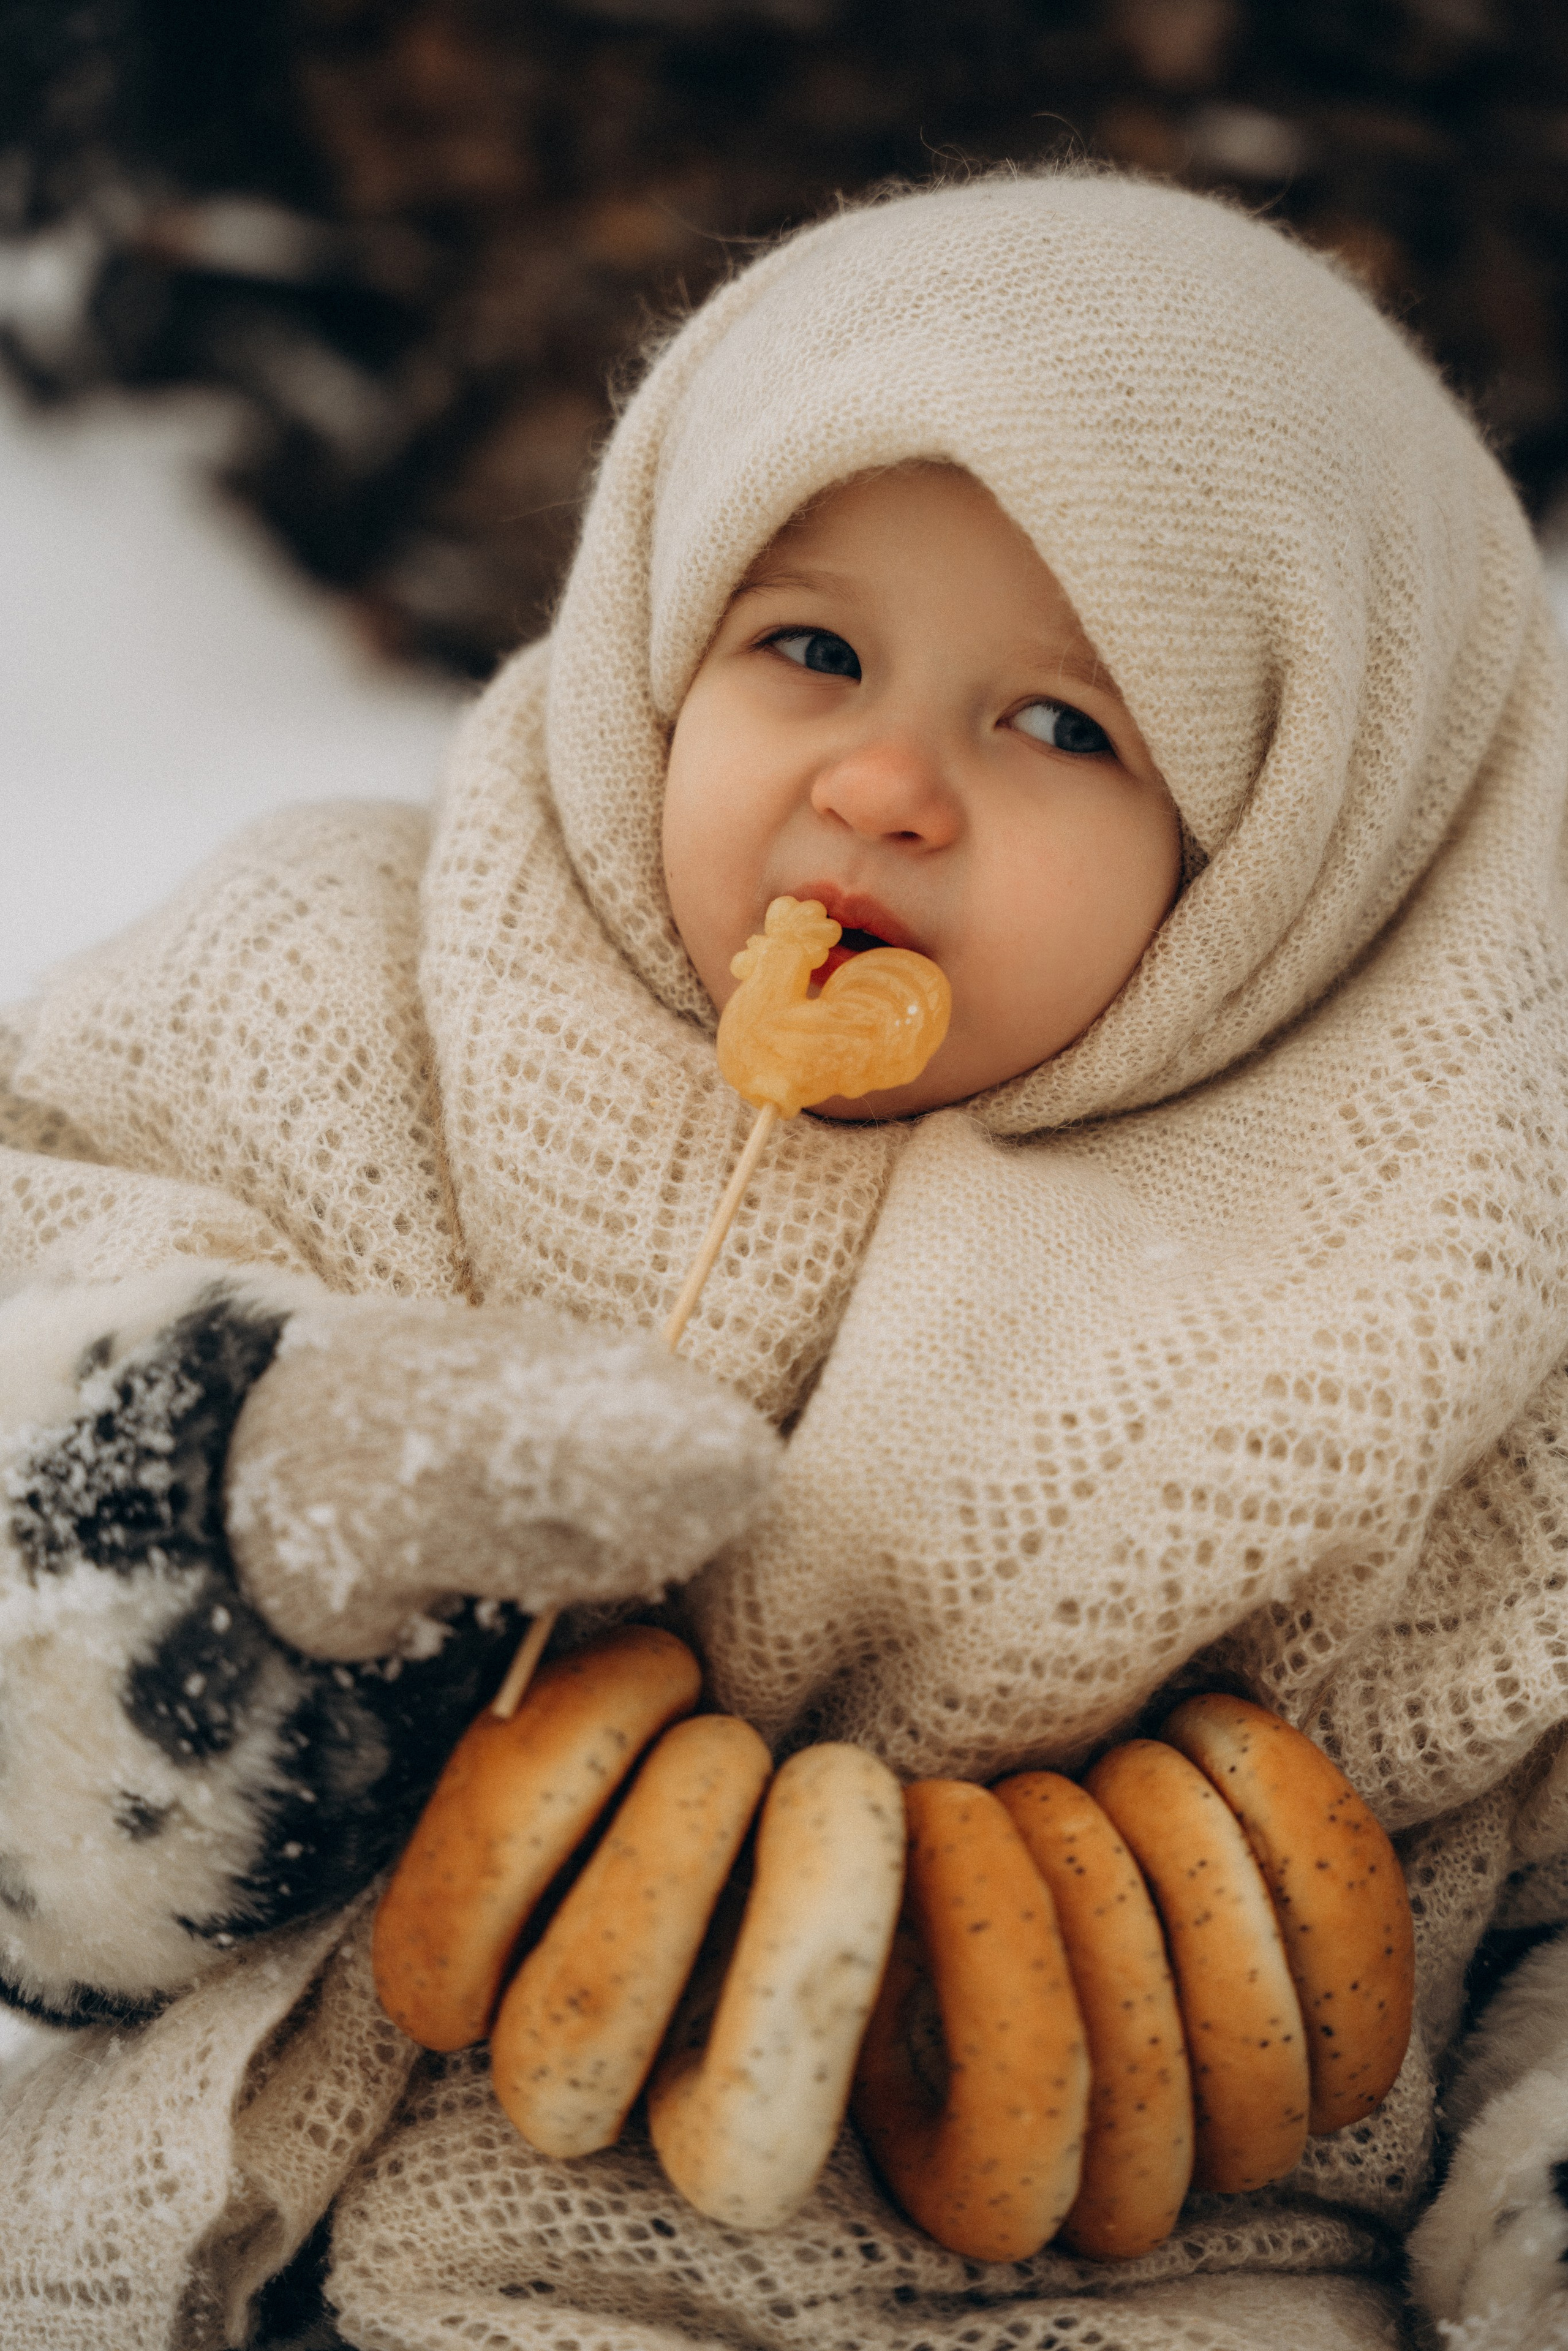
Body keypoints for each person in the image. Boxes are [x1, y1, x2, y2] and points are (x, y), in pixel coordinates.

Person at [2, 164, 1567, 2351]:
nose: (885, 785)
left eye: (1064, 726)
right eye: (811, 649)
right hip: (300, 2264)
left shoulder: (1448, 1295)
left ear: (1308, 856)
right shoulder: (333, 991)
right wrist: (239, 1485)